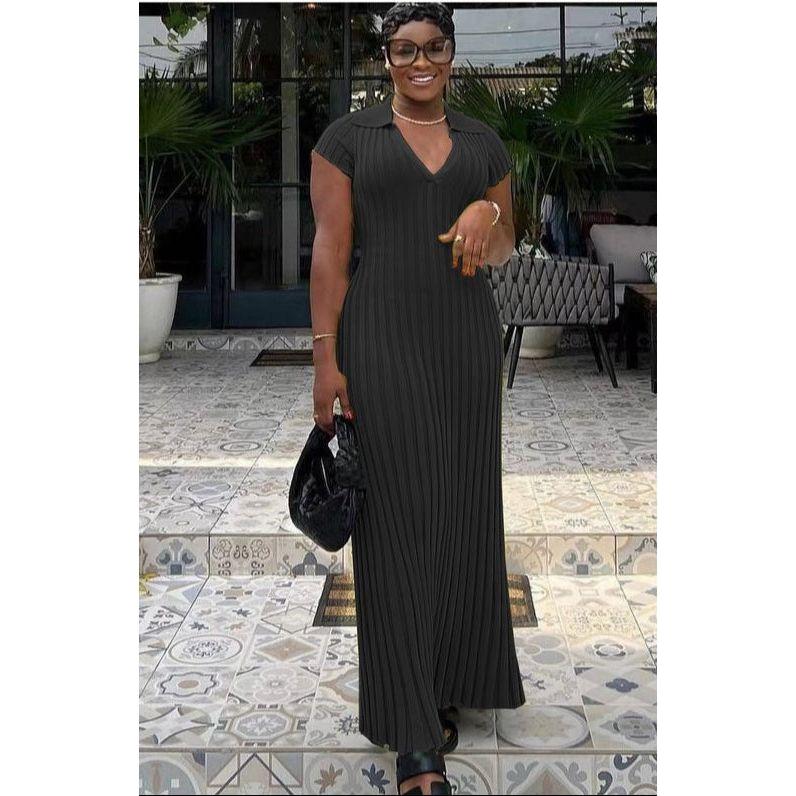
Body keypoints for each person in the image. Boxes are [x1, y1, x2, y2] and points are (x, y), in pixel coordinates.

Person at [309, 3, 525, 793]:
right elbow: (331, 251)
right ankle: (413, 735)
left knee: (463, 511)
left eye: (434, 47)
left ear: (453, 55)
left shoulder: (483, 143)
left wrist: (487, 209)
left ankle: (452, 678)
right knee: (397, 523)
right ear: (386, 59)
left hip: (465, 344)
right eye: (404, 49)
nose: (420, 61)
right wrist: (325, 362)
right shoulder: (348, 139)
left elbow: (504, 245)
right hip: (381, 341)